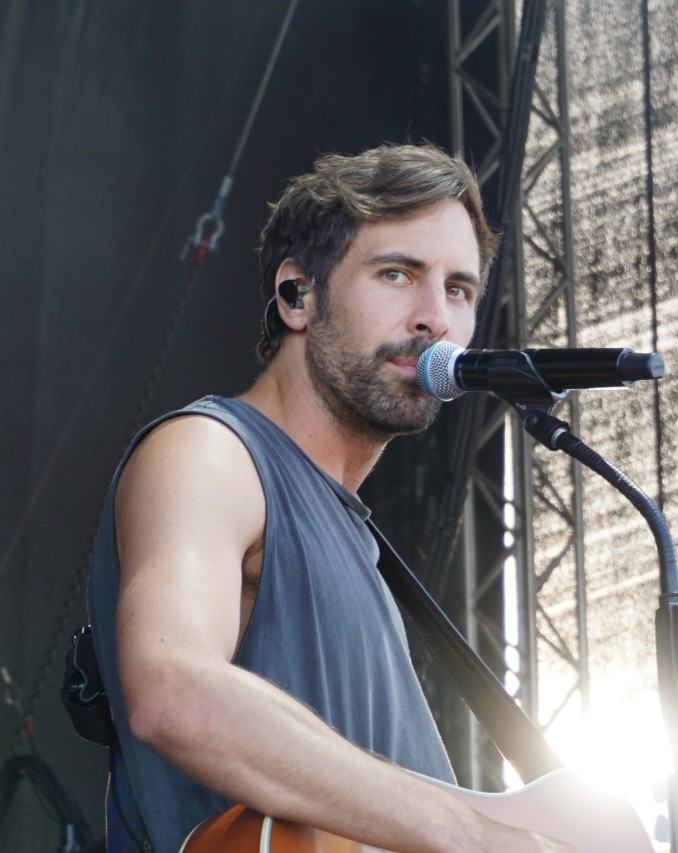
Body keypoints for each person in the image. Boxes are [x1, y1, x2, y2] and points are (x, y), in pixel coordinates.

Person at [86, 143, 573, 852]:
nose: (435, 317)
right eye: (398, 274)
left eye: (459, 289)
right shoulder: (213, 452)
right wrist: (470, 833)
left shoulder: (361, 552)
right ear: (296, 295)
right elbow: (173, 692)